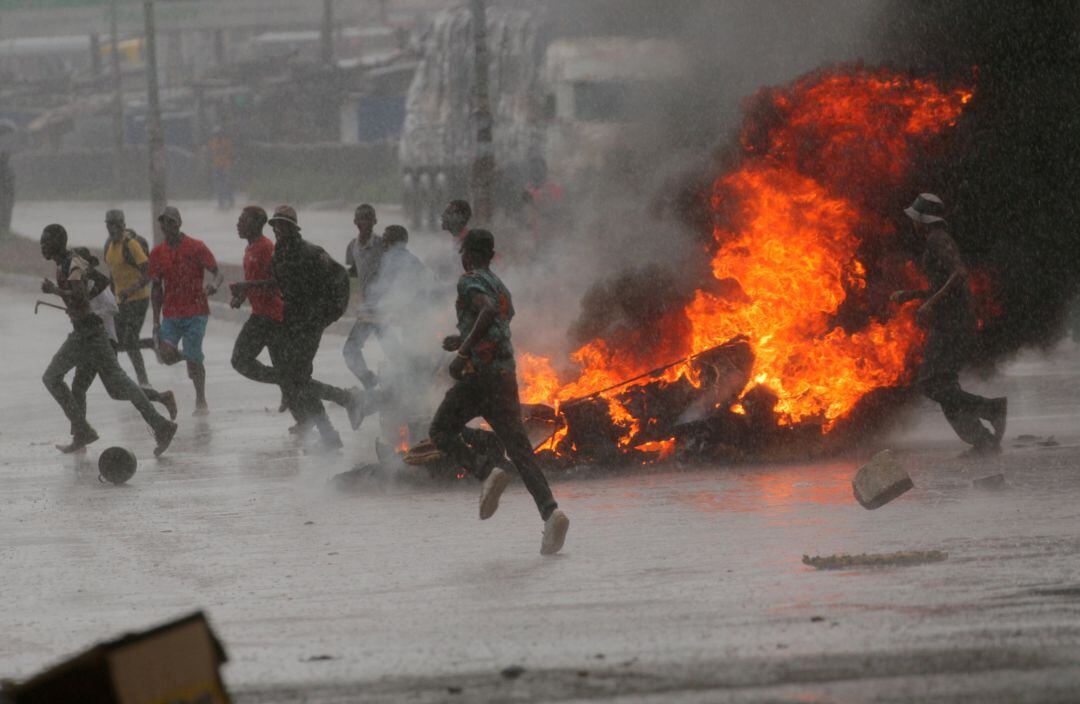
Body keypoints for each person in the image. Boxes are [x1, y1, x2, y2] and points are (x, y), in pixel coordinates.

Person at [429, 228, 569, 555]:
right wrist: (461, 339)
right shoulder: (502, 286)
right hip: (505, 377)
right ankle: (551, 513)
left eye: (463, 252)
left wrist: (463, 355)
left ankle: (486, 472)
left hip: (479, 377)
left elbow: (488, 311)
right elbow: (496, 322)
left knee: (440, 430)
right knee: (520, 450)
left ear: (469, 254)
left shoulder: (469, 280)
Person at [39, 224, 177, 455]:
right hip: (90, 333)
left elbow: (81, 295)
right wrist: (76, 305)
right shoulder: (71, 261)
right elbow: (102, 281)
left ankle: (84, 431)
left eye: (46, 242)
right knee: (117, 386)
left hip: (88, 335)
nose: (42, 246)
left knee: (52, 377)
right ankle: (159, 425)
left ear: (57, 243)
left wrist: (57, 292)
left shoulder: (71, 263)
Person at [228, 206, 362, 433]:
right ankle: (334, 419)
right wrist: (245, 292)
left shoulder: (306, 253)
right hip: (291, 322)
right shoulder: (281, 252)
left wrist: (327, 315)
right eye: (277, 226)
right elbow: (279, 284)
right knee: (297, 380)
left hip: (303, 323)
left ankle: (341, 404)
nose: (279, 230)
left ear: (293, 228)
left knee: (297, 380)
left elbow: (340, 277)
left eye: (284, 226)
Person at [892, 193, 1007, 454]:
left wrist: (930, 304)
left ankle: (991, 408)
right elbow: (940, 285)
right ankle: (984, 442)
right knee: (945, 386)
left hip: (954, 324)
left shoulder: (937, 239)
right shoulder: (936, 240)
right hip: (951, 322)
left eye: (915, 218)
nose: (912, 223)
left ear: (923, 219)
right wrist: (910, 296)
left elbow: (958, 274)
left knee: (930, 383)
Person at [69, 247, 177, 431]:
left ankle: (81, 435)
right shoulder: (82, 287)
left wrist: (91, 314)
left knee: (102, 389)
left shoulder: (99, 286)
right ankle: (80, 435)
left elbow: (112, 308)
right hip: (93, 342)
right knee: (109, 390)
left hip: (104, 342)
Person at [148, 206, 223, 416]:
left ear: (179, 223)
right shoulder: (157, 253)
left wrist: (214, 286)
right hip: (171, 314)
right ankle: (190, 357)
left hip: (196, 311)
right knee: (166, 355)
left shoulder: (196, 247)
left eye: (171, 222)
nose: (167, 226)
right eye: (164, 222)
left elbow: (217, 273)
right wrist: (155, 321)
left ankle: (201, 399)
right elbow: (156, 289)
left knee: (193, 361)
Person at [102, 209, 153, 385]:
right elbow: (114, 274)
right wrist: (104, 295)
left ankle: (144, 383)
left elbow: (148, 274)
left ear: (123, 225)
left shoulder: (131, 245)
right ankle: (152, 344)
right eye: (110, 225)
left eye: (117, 225)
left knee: (130, 341)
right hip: (120, 302)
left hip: (139, 300)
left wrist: (130, 290)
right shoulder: (109, 247)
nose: (113, 229)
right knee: (113, 341)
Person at [342, 204, 384, 389]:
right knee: (350, 350)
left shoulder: (382, 245)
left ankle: (406, 385)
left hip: (384, 308)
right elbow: (352, 272)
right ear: (355, 222)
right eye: (361, 218)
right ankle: (369, 380)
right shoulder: (352, 247)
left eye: (368, 218)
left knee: (394, 351)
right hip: (367, 310)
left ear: (375, 221)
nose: (364, 222)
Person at [437, 199, 471, 280]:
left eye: (448, 212)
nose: (442, 215)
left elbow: (467, 278)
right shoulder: (457, 241)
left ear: (461, 217)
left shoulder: (470, 244)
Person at [208, 127, 235, 210]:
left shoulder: (224, 142)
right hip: (219, 166)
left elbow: (229, 152)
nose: (218, 137)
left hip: (224, 166)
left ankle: (228, 200)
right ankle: (223, 201)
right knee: (221, 184)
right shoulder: (219, 142)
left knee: (224, 184)